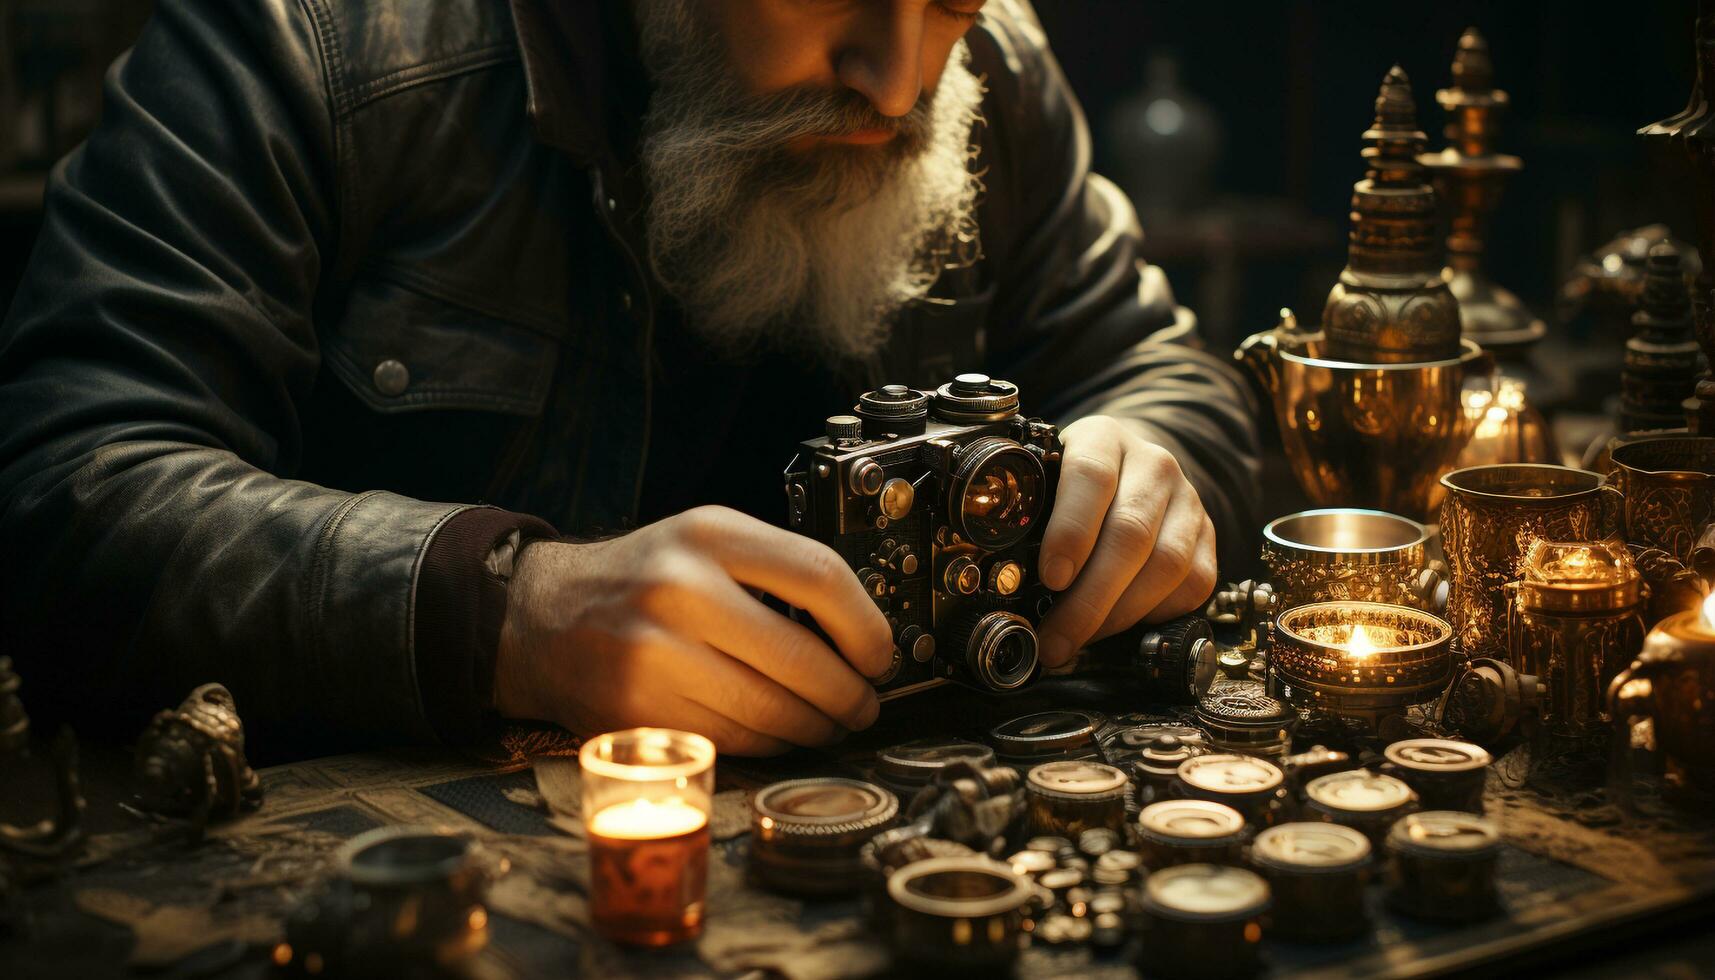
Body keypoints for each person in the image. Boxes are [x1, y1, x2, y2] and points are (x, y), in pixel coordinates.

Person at [0, 0, 1261, 759]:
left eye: (949, 5)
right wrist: (511, 612)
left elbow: (1157, 372)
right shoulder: (313, 41)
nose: (900, 84)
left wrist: (1148, 468)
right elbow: (66, 490)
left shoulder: (990, 70)